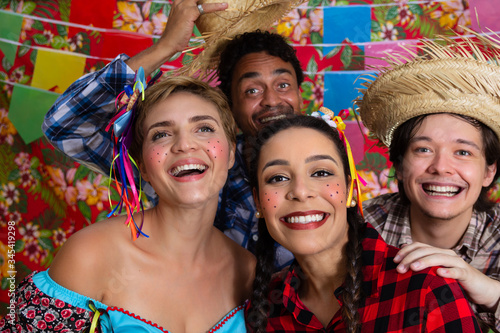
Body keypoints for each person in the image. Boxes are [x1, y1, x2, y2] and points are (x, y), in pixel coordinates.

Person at [42, 0, 304, 268]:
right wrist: (166, 47)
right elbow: (65, 125)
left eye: (283, 85)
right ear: (230, 106)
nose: (272, 100)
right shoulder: (188, 166)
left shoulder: (330, 164)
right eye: (252, 90)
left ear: (299, 94)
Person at [2, 76, 255, 332]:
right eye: (162, 134)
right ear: (143, 166)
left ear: (231, 152)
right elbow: (63, 125)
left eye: (204, 128)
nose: (184, 144)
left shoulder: (248, 273)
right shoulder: (92, 255)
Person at [245, 114, 481, 332]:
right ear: (258, 202)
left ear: (350, 189)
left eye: (320, 173)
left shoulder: (427, 288)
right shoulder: (265, 307)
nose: (300, 191)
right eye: (278, 178)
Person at [356, 31, 500, 331]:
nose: (441, 168)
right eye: (423, 149)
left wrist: (485, 287)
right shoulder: (359, 227)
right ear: (398, 164)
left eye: (463, 152)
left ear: (489, 172)